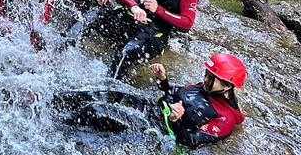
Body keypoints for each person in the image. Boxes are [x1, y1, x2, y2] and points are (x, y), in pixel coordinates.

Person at [53, 53, 247, 149]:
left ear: (228, 86)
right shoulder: (201, 86)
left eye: (212, 78)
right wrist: (163, 80)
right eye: (207, 74)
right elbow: (171, 95)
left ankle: (53, 127)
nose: (206, 79)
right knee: (94, 95)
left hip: (153, 127)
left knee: (95, 110)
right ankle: (48, 102)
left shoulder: (225, 119)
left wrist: (176, 120)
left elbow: (191, 143)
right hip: (149, 107)